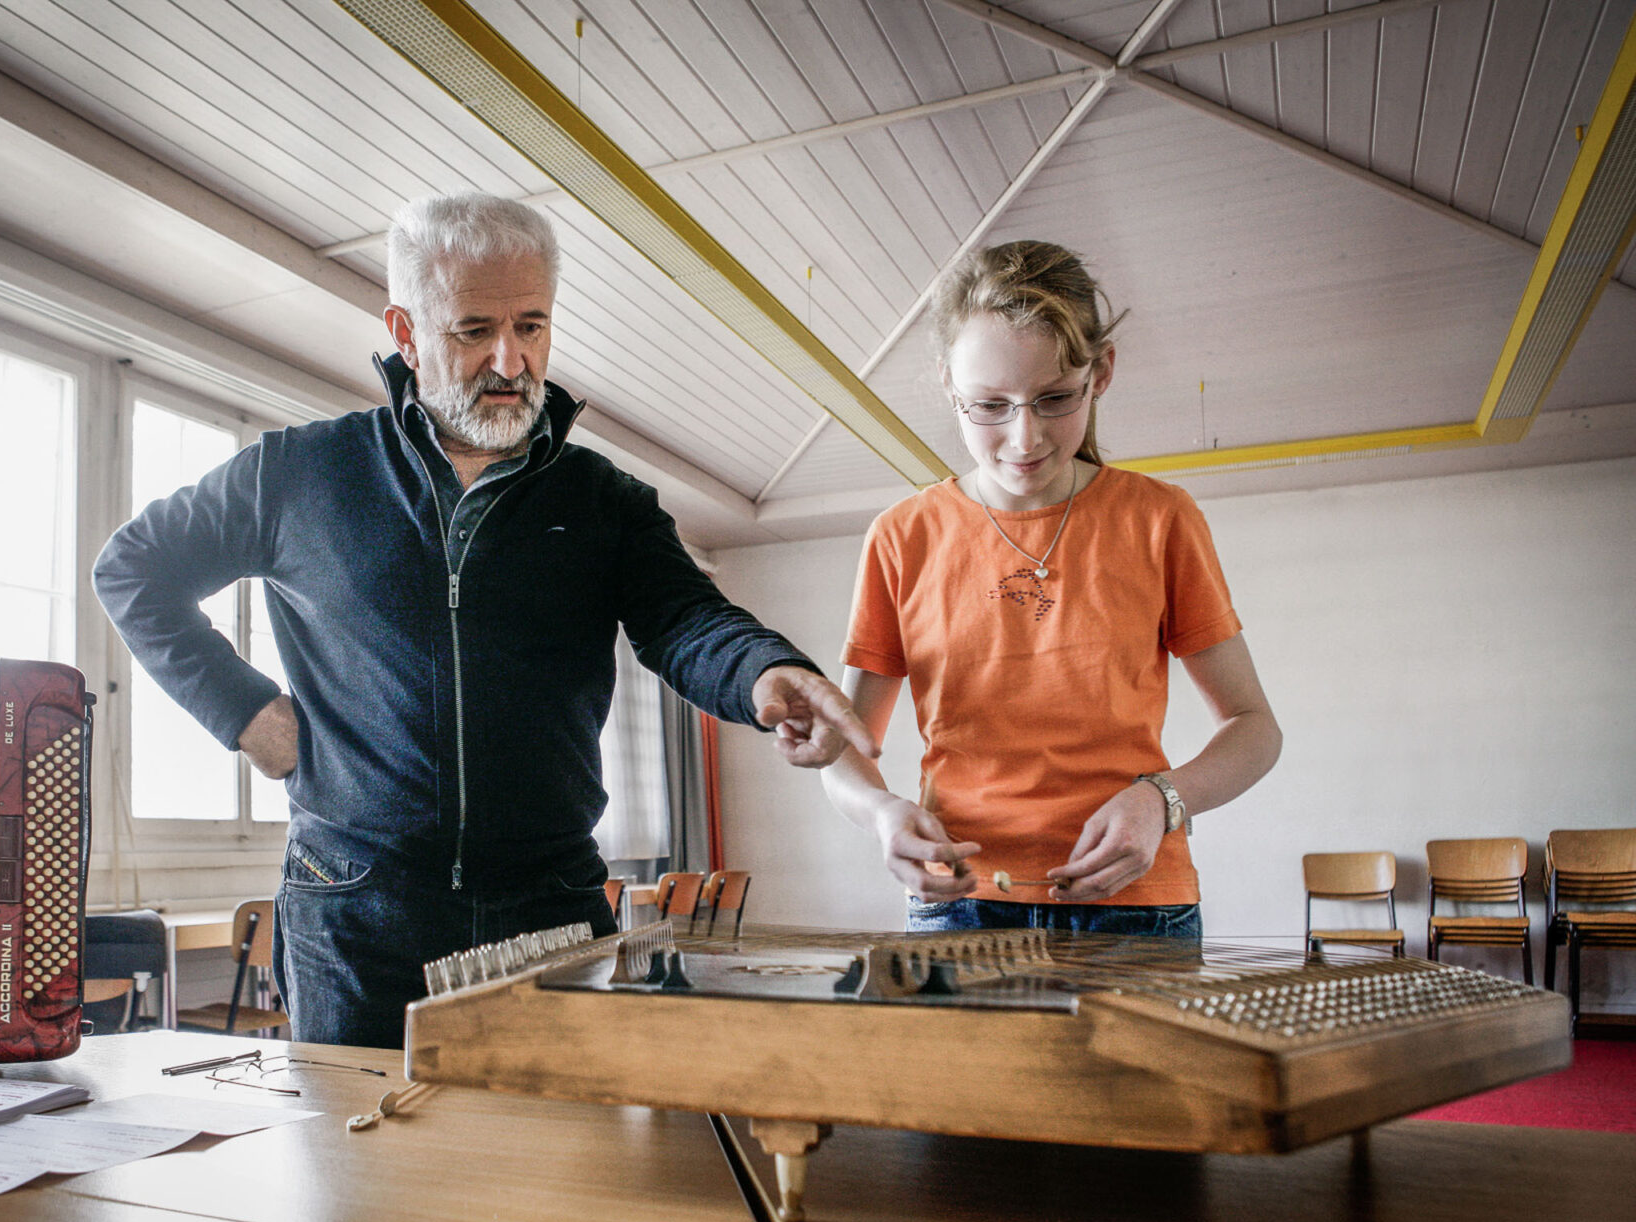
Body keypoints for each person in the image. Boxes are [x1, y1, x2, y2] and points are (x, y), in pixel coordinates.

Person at [95, 192, 874, 1047]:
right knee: (363, 1170)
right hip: (356, 909)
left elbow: (687, 619)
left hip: (550, 906)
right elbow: (132, 569)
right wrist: (247, 715)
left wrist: (764, 670)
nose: (512, 360)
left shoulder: (602, 500)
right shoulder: (301, 474)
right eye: (474, 331)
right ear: (406, 330)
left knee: (553, 1168)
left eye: (532, 326)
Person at [821, 240, 1281, 938]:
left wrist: (1162, 800)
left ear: (1101, 374)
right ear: (950, 386)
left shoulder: (1161, 520)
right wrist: (882, 812)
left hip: (1136, 904)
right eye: (989, 406)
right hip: (960, 901)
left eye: (1055, 398)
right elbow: (845, 749)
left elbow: (1255, 729)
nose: (1024, 437)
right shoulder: (901, 536)